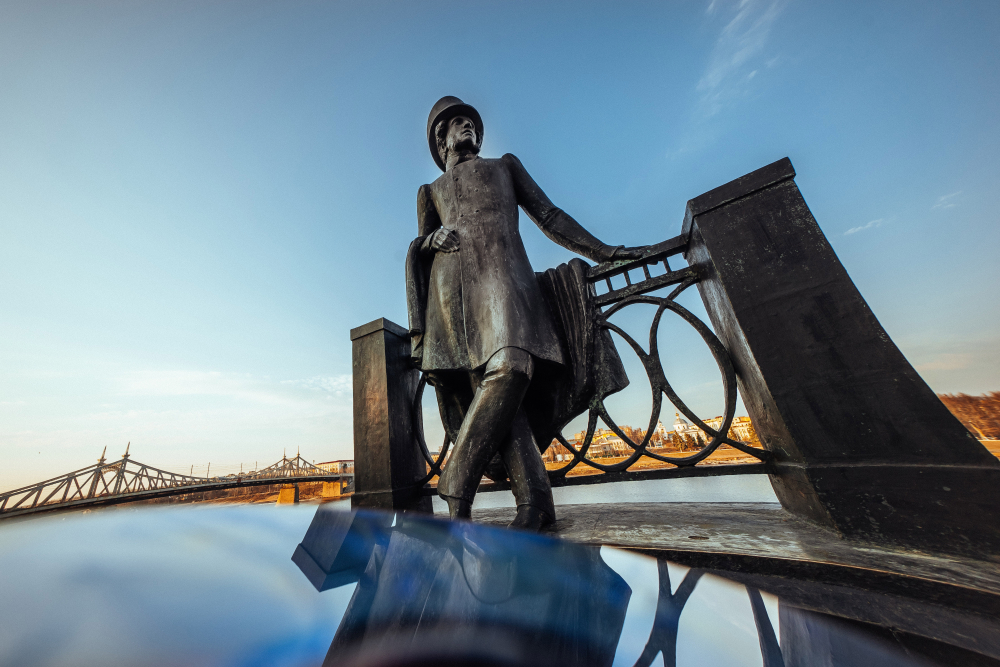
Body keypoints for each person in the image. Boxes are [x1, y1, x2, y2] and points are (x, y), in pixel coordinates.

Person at [407, 96, 641, 530]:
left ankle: (456, 482)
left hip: (505, 283)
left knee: (512, 369)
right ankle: (534, 504)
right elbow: (419, 245)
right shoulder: (431, 192)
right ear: (442, 142)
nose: (468, 128)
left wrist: (603, 251)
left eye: (471, 123)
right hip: (452, 298)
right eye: (457, 124)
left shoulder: (504, 167)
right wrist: (429, 241)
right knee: (502, 402)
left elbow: (550, 216)